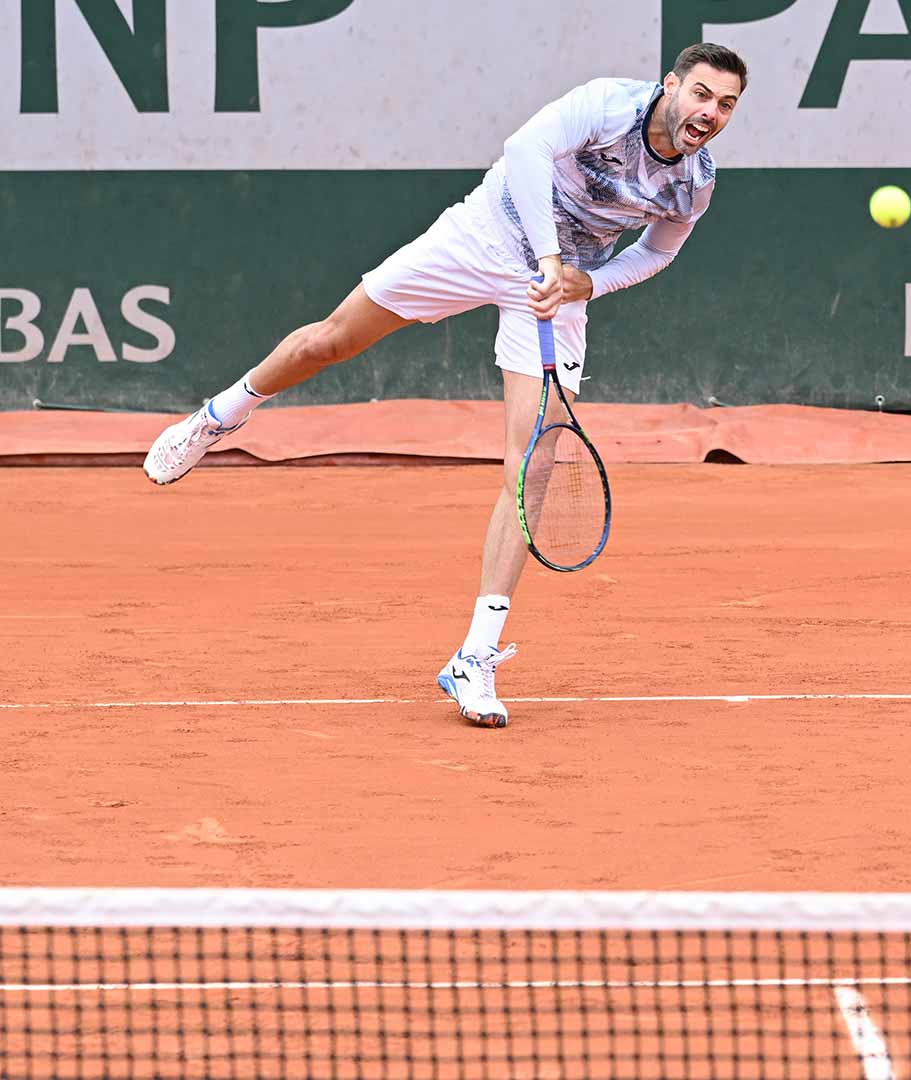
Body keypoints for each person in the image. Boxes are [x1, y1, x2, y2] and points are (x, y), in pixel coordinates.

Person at [141, 44, 749, 728]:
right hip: (485, 236)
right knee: (333, 340)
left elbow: (656, 252)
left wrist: (586, 282)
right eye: (701, 94)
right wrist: (551, 255)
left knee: (537, 461)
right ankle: (222, 415)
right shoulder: (609, 105)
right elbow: (525, 150)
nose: (710, 113)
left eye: (726, 104)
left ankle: (475, 657)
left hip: (551, 295)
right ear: (671, 85)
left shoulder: (694, 181)